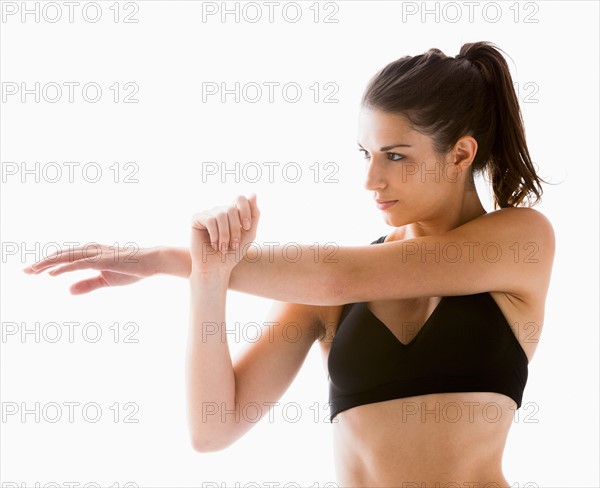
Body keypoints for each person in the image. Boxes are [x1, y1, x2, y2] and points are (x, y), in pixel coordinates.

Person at [24, 41, 555, 487]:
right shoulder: (321, 292)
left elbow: (337, 275)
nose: (371, 180)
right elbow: (213, 429)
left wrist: (170, 260)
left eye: (395, 156)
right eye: (365, 154)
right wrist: (207, 279)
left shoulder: (520, 240)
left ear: (461, 154)